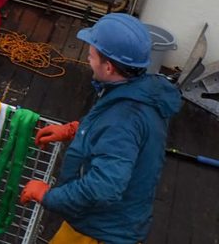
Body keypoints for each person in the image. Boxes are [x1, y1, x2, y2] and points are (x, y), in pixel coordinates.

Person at [19, 13, 181, 244]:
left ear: (108, 67)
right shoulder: (140, 90)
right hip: (109, 220)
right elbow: (114, 131)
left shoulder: (123, 121)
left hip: (100, 232)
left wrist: (47, 195)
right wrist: (74, 130)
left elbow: (104, 187)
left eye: (92, 55)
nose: (88, 58)